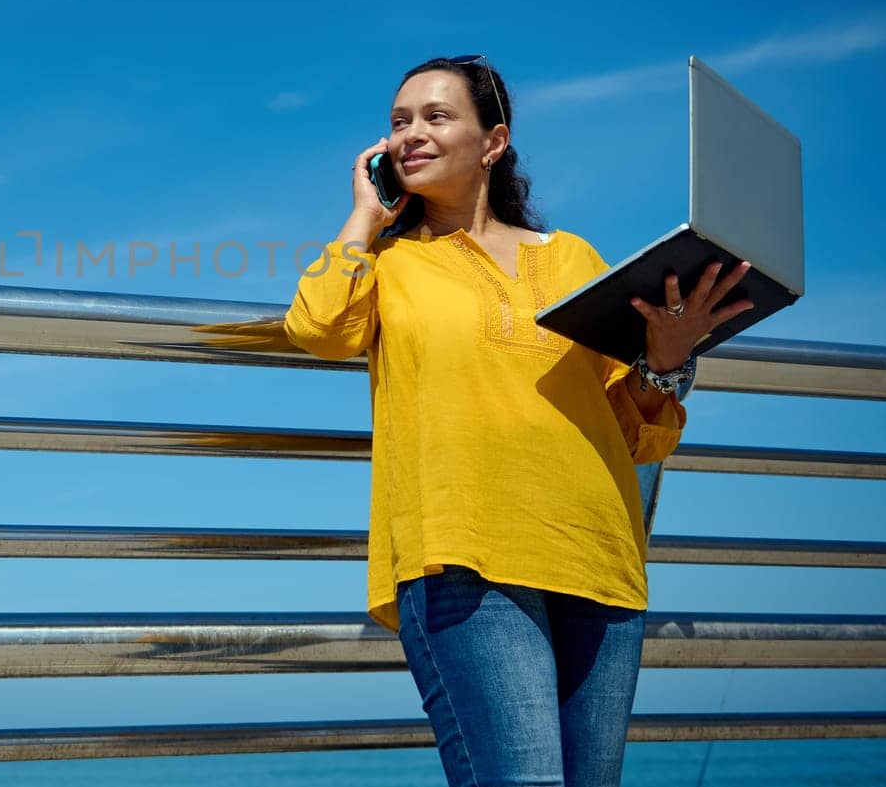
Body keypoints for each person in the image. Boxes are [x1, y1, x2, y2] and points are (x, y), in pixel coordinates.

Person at [282, 55, 754, 786]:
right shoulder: (389, 264)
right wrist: (365, 215)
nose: (411, 133)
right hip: (464, 555)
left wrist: (665, 358)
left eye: (436, 116)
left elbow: (633, 430)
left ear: (493, 142)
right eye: (398, 122)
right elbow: (317, 327)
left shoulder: (572, 259)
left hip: (597, 560)